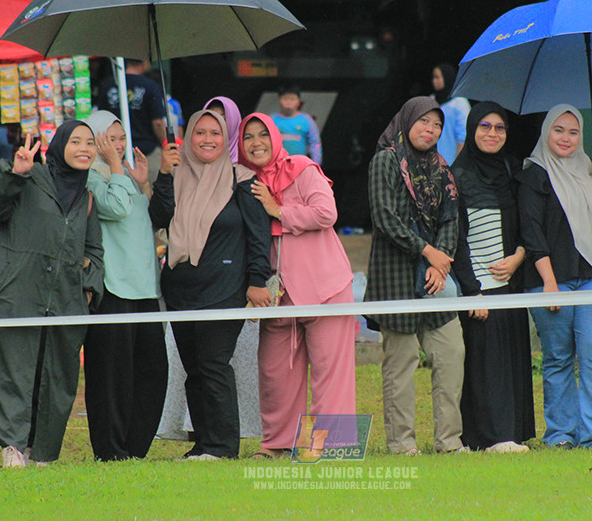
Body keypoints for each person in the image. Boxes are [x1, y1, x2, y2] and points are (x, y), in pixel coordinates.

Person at [0, 121, 104, 468]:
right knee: (14, 370)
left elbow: (94, 249)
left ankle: (42, 452)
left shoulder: (86, 197)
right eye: (75, 141)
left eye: (90, 143)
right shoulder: (30, 177)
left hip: (64, 301)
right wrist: (13, 174)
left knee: (56, 377)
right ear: (59, 145)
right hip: (16, 293)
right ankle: (13, 447)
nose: (84, 148)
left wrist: (89, 287)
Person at [149, 110, 272, 460]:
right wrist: (163, 174)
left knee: (214, 364)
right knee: (193, 370)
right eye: (200, 132)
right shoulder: (178, 175)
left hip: (225, 289)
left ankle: (222, 446)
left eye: (215, 133)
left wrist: (257, 281)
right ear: (188, 138)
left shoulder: (243, 181)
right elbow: (157, 217)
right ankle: (203, 443)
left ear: (227, 138)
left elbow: (259, 238)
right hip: (180, 288)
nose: (207, 139)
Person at [238, 113, 356, 459]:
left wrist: (279, 209)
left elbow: (325, 213)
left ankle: (329, 445)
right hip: (277, 295)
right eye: (248, 137)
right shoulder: (244, 181)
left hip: (325, 288)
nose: (256, 142)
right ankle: (277, 444)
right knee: (276, 373)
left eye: (263, 134)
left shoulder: (301, 168)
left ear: (276, 138)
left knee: (329, 373)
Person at [517, 104, 592, 450]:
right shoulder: (533, 173)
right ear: (546, 131)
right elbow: (532, 232)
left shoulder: (590, 169)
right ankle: (561, 434)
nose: (566, 138)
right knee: (558, 357)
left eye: (573, 131)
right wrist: (548, 282)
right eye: (558, 130)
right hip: (552, 279)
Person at [365, 96, 465, 455]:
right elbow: (385, 218)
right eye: (423, 122)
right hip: (395, 278)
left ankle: (449, 442)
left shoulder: (442, 168)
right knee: (401, 367)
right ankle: (402, 444)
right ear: (407, 122)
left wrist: (441, 263)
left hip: (434, 278)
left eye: (436, 125)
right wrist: (429, 253)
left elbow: (452, 219)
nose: (430, 130)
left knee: (452, 355)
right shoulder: (386, 161)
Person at [450, 101, 535, 454]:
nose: (492, 134)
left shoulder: (511, 170)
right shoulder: (456, 176)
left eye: (499, 128)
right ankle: (489, 437)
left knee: (512, 359)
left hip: (510, 283)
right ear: (471, 130)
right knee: (485, 363)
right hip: (479, 288)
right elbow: (455, 238)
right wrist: (473, 291)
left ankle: (512, 432)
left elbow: (527, 223)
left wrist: (519, 256)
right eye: (484, 126)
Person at [82, 110, 167, 461]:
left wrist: (144, 184)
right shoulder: (90, 177)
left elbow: (142, 222)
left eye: (121, 139)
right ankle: (110, 449)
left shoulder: (128, 175)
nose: (118, 146)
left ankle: (136, 447)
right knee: (111, 375)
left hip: (146, 288)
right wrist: (118, 166)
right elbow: (115, 208)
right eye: (110, 139)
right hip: (113, 289)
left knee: (152, 371)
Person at [95, 58, 168, 181]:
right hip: (147, 151)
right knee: (151, 193)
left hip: (114, 151)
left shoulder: (109, 84)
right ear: (145, 63)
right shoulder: (150, 86)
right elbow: (158, 123)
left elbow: (101, 117)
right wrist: (164, 144)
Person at [430, 63, 471, 165]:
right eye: (433, 77)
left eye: (437, 77)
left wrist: (457, 167)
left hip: (451, 163)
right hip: (431, 164)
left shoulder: (460, 103)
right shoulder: (431, 101)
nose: (434, 81)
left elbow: (463, 138)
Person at [270, 85, 322, 163]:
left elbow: (315, 143)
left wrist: (316, 164)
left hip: (300, 165)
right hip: (276, 166)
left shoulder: (306, 120)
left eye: (292, 99)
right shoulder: (271, 120)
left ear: (298, 101)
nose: (289, 102)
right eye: (285, 98)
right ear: (279, 100)